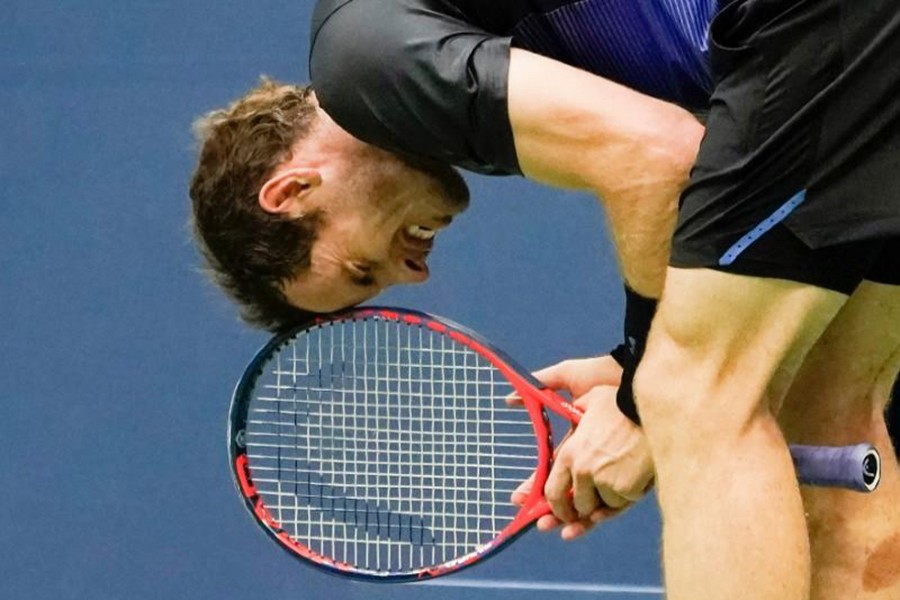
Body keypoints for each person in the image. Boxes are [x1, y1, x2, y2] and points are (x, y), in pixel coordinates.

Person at [189, 1, 900, 597]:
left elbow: (658, 156)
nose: (412, 274)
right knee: (829, 411)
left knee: (698, 398)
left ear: (291, 192)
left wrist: (641, 399)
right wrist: (644, 372)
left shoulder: (363, 63)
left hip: (820, 27)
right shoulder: (434, 51)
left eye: (360, 268)